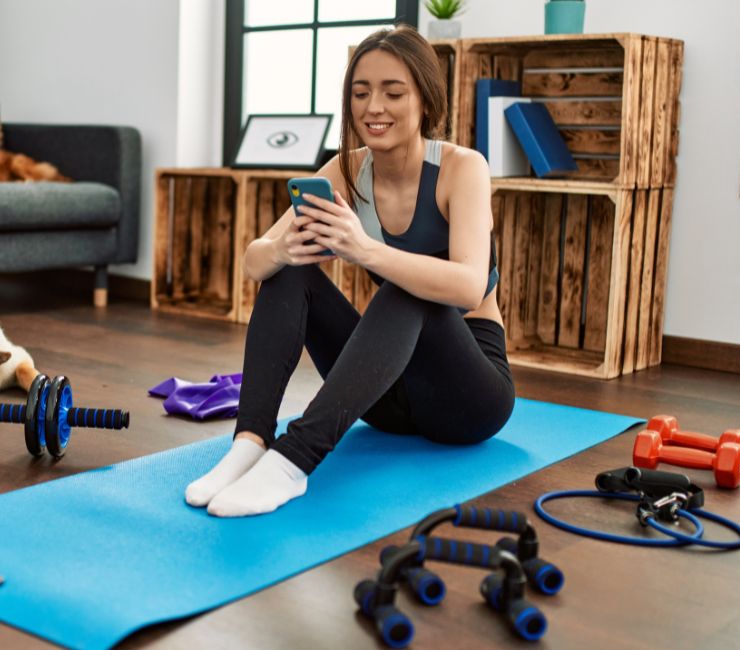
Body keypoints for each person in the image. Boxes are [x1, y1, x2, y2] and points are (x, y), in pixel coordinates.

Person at [185, 25, 515, 518]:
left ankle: (293, 462)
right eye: (360, 93)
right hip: (386, 400)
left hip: (467, 397)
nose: (373, 107)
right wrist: (286, 249)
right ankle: (250, 443)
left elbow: (467, 287)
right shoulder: (343, 169)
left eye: (392, 92)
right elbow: (256, 259)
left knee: (408, 291)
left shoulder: (461, 168)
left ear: (425, 98)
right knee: (290, 269)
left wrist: (363, 250)